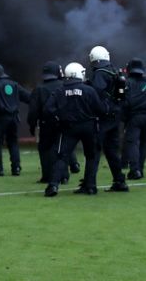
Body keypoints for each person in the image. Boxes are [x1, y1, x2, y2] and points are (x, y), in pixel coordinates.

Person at [51, 62, 107, 196]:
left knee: (62, 156)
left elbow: (48, 109)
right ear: (78, 74)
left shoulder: (59, 90)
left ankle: (53, 186)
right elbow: (100, 110)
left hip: (69, 128)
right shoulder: (89, 90)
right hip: (89, 127)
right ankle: (91, 186)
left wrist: (59, 118)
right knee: (92, 156)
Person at [85, 46, 130, 192]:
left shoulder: (99, 73)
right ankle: (120, 181)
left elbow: (96, 94)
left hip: (103, 117)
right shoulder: (115, 71)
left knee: (94, 150)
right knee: (112, 151)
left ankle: (90, 185)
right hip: (115, 116)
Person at [28, 64, 67, 192]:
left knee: (45, 149)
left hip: (46, 124)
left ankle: (47, 176)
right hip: (63, 122)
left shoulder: (39, 89)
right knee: (62, 149)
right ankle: (64, 175)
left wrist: (32, 125)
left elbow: (33, 110)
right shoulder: (64, 86)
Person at [121, 60, 146, 180]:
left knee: (132, 143)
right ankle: (140, 170)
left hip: (134, 118)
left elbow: (125, 103)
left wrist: (124, 117)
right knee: (142, 145)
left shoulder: (127, 83)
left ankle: (135, 170)